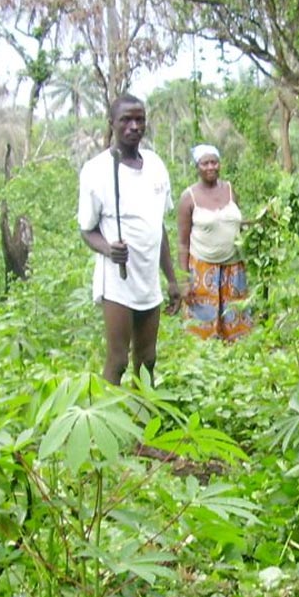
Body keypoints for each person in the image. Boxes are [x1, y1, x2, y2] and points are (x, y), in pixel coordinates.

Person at [78, 94, 182, 386]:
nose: (134, 126)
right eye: (126, 120)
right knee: (118, 360)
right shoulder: (97, 171)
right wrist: (109, 250)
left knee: (147, 358)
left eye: (140, 119)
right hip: (117, 282)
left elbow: (157, 226)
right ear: (111, 124)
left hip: (148, 279)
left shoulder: (156, 166)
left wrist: (171, 280)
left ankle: (142, 420)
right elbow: (87, 230)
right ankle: (107, 424)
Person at [176, 144, 253, 341]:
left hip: (233, 268)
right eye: (205, 163)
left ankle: (237, 363)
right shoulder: (189, 197)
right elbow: (183, 243)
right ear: (197, 166)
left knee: (236, 326)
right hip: (202, 269)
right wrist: (184, 280)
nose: (210, 167)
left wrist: (259, 227)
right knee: (203, 330)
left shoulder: (229, 190)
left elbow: (235, 223)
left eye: (214, 162)